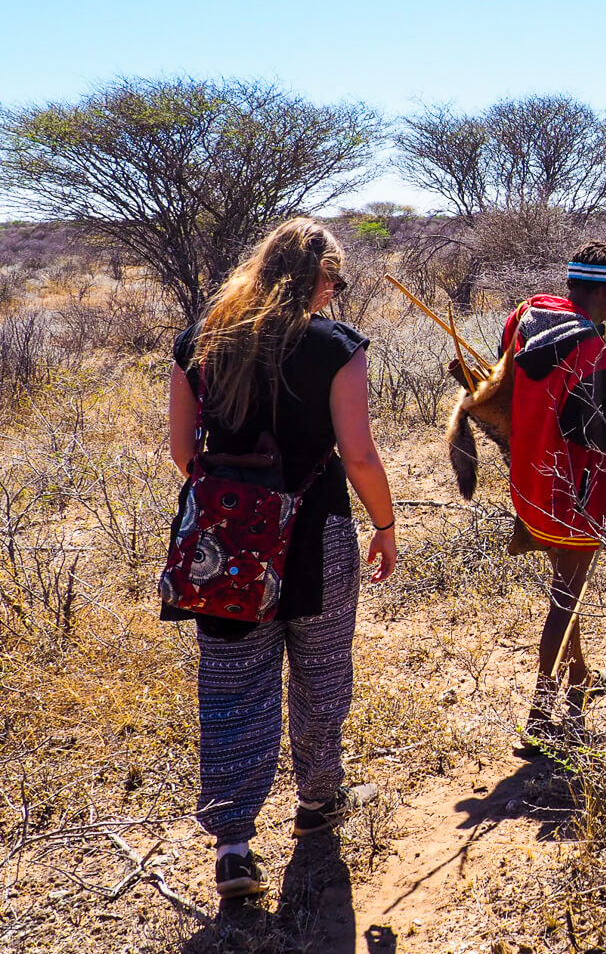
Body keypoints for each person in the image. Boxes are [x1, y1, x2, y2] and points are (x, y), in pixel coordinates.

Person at [166, 218, 396, 900]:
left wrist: (241, 503)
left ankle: (234, 845)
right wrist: (384, 524)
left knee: (233, 685)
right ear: (318, 277)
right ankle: (317, 803)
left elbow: (184, 454)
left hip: (221, 543)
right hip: (317, 533)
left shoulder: (199, 341)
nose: (336, 293)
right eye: (336, 281)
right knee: (322, 674)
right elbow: (357, 452)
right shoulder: (333, 346)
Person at [502, 242, 606, 754]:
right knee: (566, 594)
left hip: (529, 473)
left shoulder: (528, 316)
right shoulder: (590, 347)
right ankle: (539, 713)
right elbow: (592, 430)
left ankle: (577, 676)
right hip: (573, 487)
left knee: (563, 581)